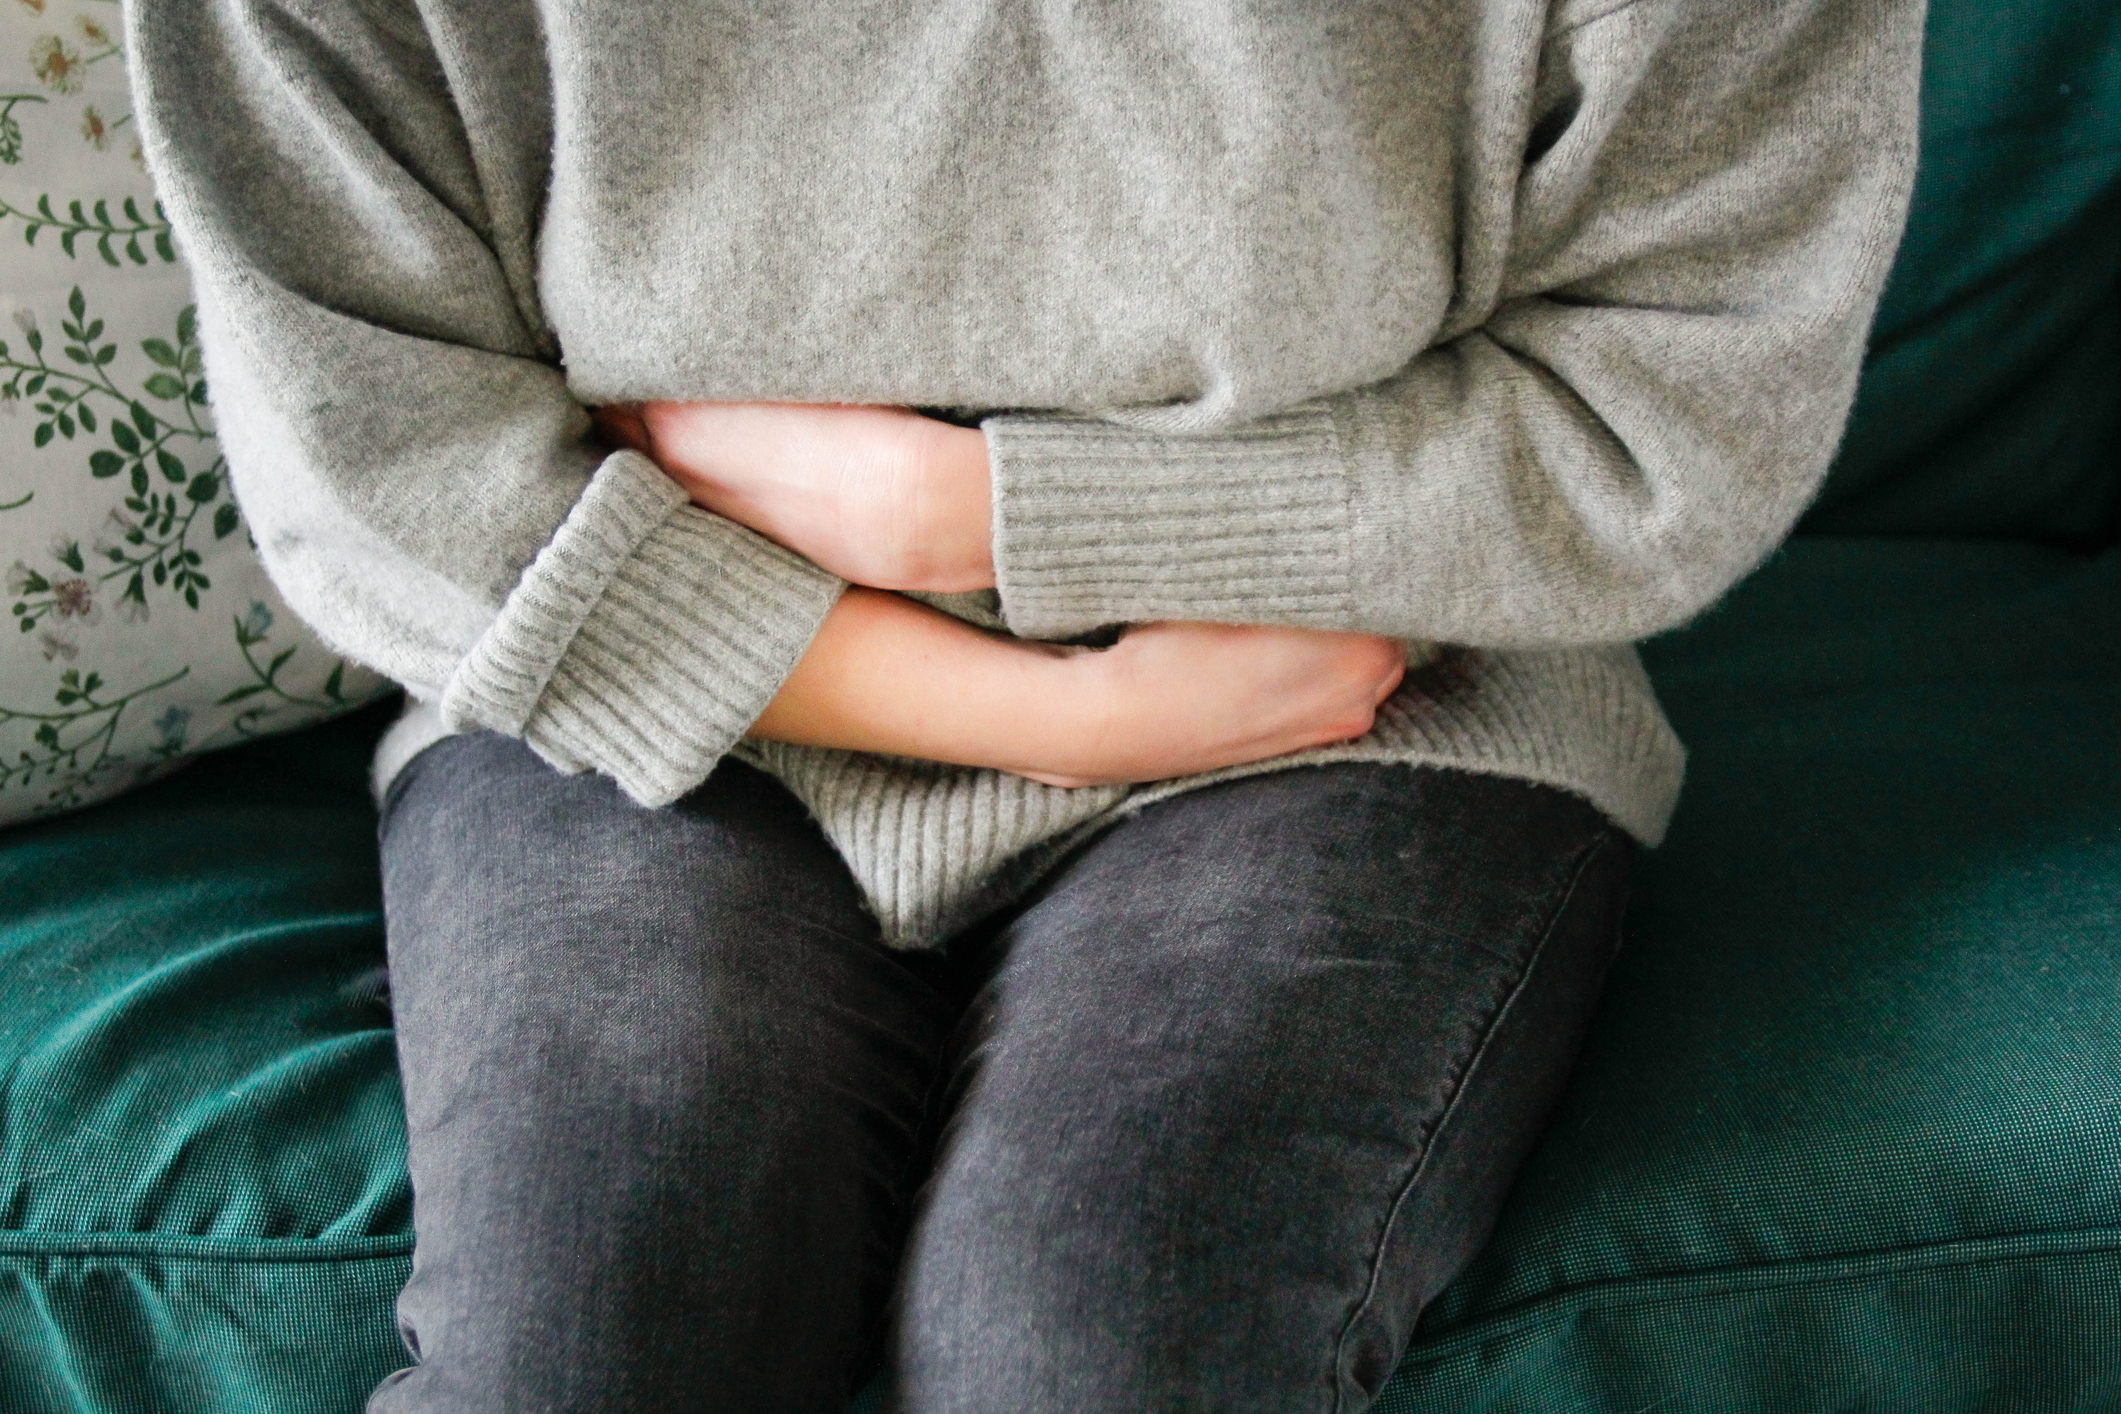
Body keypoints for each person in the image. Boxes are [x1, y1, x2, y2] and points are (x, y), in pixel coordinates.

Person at [129, 0, 1922, 1408]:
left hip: (1365, 680)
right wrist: (1074, 714)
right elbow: (386, 460)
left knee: (1093, 1332)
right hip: (644, 695)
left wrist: (971, 514)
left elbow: (1660, 407)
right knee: (595, 1335)